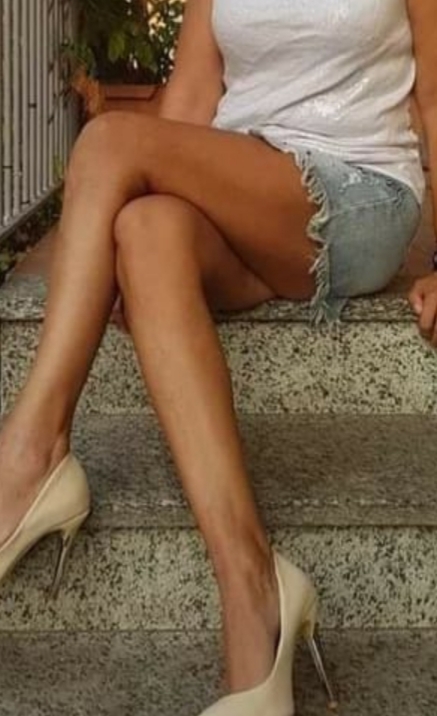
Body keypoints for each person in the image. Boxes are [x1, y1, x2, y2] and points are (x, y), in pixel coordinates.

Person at [0, 1, 435, 713]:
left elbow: (434, 98)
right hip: (244, 195)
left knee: (108, 140)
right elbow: (194, 95)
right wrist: (106, 234)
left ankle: (30, 453)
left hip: (358, 190)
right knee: (145, 231)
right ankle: (252, 588)